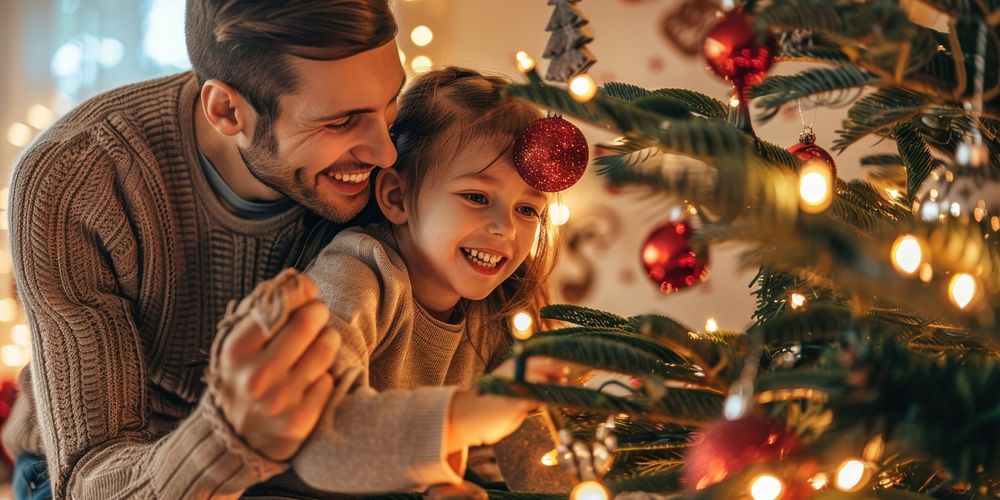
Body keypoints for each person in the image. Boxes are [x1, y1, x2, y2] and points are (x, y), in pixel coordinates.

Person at [1, 1, 406, 498]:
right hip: (102, 472)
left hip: (279, 467)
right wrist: (232, 436)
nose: (386, 152)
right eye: (341, 122)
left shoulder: (388, 158)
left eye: (391, 102)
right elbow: (89, 474)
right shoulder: (77, 178)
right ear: (227, 111)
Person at [284, 67, 563, 494]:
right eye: (477, 197)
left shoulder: (495, 316)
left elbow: (541, 471)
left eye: (528, 210)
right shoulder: (359, 272)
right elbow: (317, 436)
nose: (505, 229)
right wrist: (461, 416)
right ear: (397, 197)